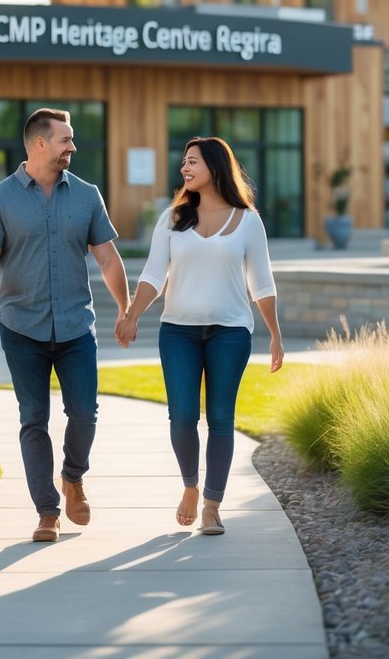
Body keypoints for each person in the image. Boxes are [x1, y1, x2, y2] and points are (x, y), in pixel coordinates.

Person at [0, 108, 130, 543]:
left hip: (77, 326)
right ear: (40, 144)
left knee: (84, 412)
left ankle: (73, 476)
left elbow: (108, 257)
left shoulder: (86, 195)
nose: (72, 147)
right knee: (33, 418)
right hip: (22, 329)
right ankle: (47, 512)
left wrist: (125, 310)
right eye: (65, 140)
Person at [117, 136, 283, 535]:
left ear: (215, 166)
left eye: (192, 162)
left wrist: (275, 334)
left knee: (221, 418)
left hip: (231, 332)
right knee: (183, 417)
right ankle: (190, 486)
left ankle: (212, 505)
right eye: (183, 163)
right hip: (178, 332)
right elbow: (154, 275)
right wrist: (131, 315)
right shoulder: (173, 218)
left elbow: (262, 283)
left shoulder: (248, 220)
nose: (184, 169)